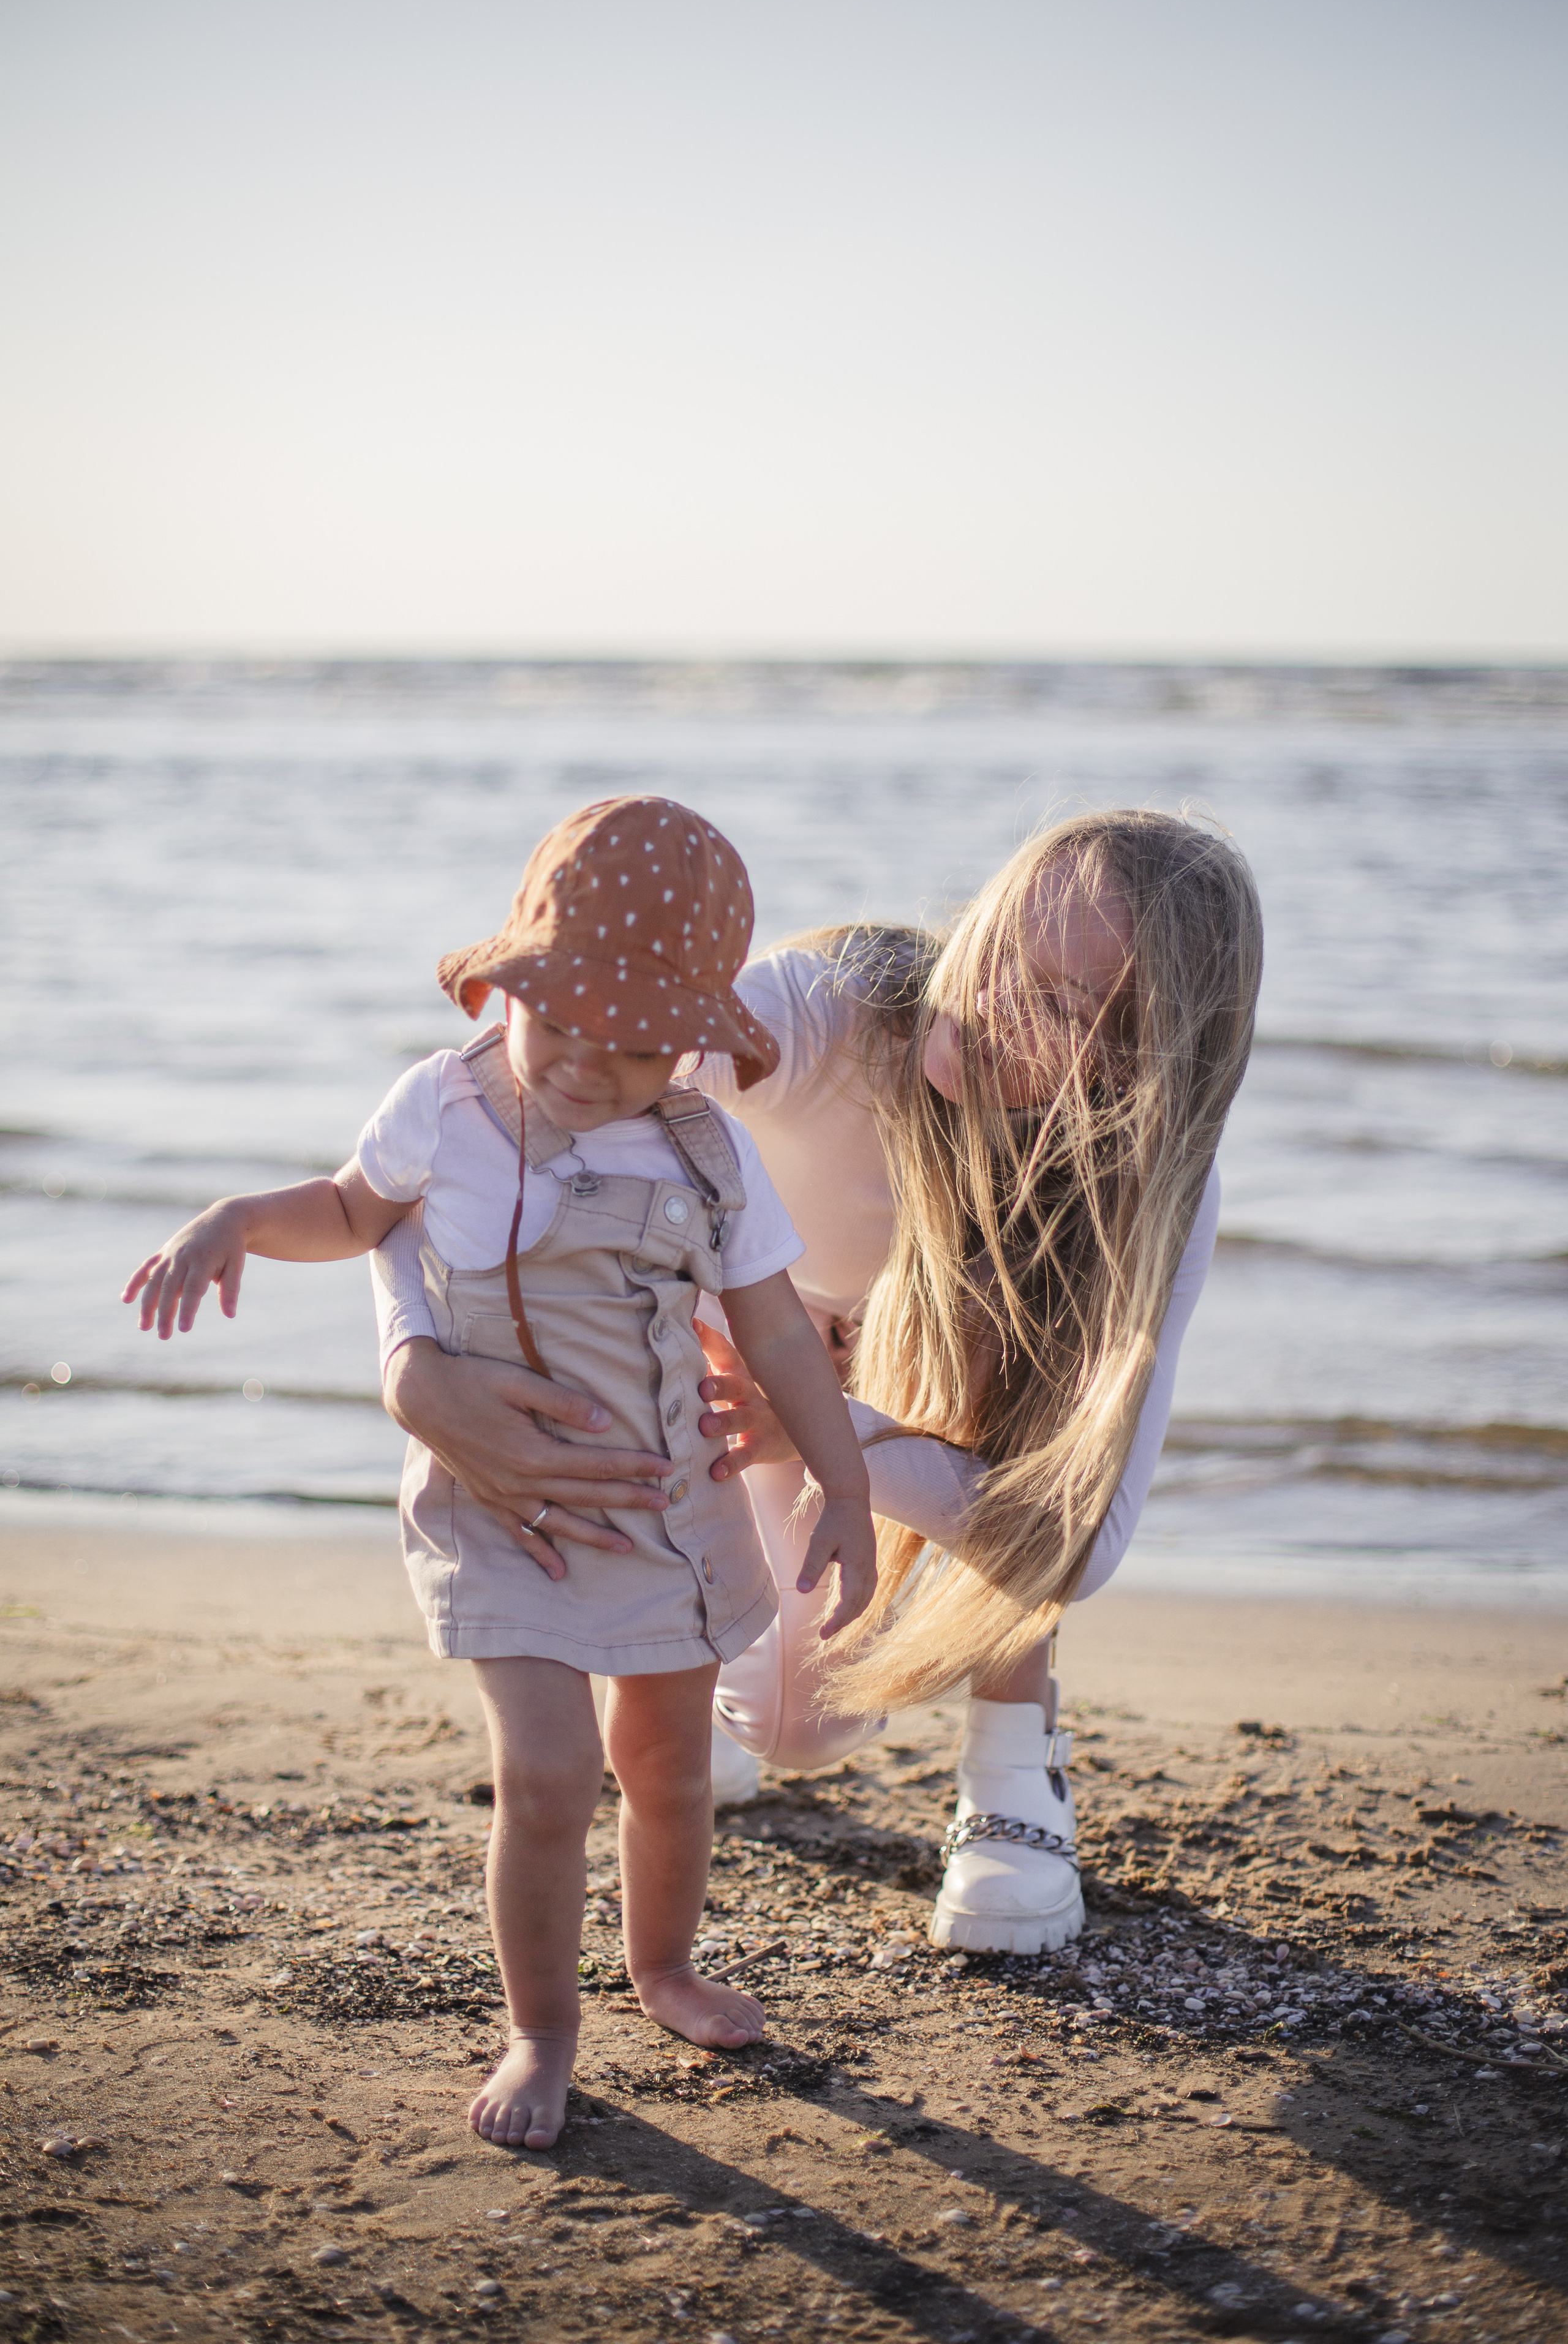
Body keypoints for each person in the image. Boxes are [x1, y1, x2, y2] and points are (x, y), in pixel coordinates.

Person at [121, 796, 878, 2153]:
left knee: (665, 1768)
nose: (587, 1068)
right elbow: (356, 1213)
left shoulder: (707, 1158)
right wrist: (238, 1216)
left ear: (696, 1039)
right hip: (500, 1509)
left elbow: (771, 1329)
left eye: (638, 1042)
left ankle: (661, 1969)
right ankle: (542, 2027)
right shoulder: (446, 1103)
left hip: (664, 1511)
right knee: (545, 1776)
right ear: (504, 987)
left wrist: (848, 1488)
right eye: (558, 1023)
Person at [374, 808, 1263, 1959]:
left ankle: (1015, 1750)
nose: (991, 1010)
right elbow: (474, 1125)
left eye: (1063, 1009)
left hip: (889, 1409)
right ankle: (679, 1660)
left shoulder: (1159, 1193)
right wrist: (415, 1366)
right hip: (742, 1350)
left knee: (1031, 1381)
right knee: (790, 1731)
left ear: (1142, 1066)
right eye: (999, 953)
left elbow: (1082, 1539)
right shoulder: (822, 1011)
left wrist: (831, 1429)